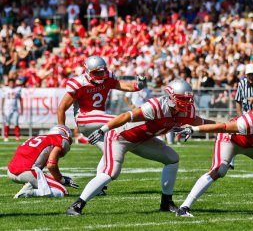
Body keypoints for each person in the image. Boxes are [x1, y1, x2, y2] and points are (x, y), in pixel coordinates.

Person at [66, 79, 216, 215]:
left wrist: (229, 127)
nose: (186, 103)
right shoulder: (156, 106)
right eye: (182, 99)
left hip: (144, 140)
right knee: (111, 173)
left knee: (172, 159)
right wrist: (102, 130)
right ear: (170, 97)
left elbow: (202, 122)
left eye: (188, 99)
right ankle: (77, 205)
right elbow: (126, 116)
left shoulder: (187, 112)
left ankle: (166, 203)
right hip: (121, 137)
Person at [57, 55, 146, 195]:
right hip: (85, 118)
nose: (100, 75)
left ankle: (98, 186)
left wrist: (137, 86)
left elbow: (121, 85)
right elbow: (62, 108)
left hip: (100, 121)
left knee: (111, 150)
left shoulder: (108, 77)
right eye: (96, 73)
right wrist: (61, 131)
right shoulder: (79, 83)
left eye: (101, 72)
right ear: (87, 71)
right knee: (120, 119)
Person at [7, 125, 78, 198]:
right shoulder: (60, 139)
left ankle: (30, 187)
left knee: (45, 181)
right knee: (63, 192)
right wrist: (62, 180)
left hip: (11, 171)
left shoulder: (37, 137)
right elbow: (51, 165)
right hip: (27, 171)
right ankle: (31, 192)